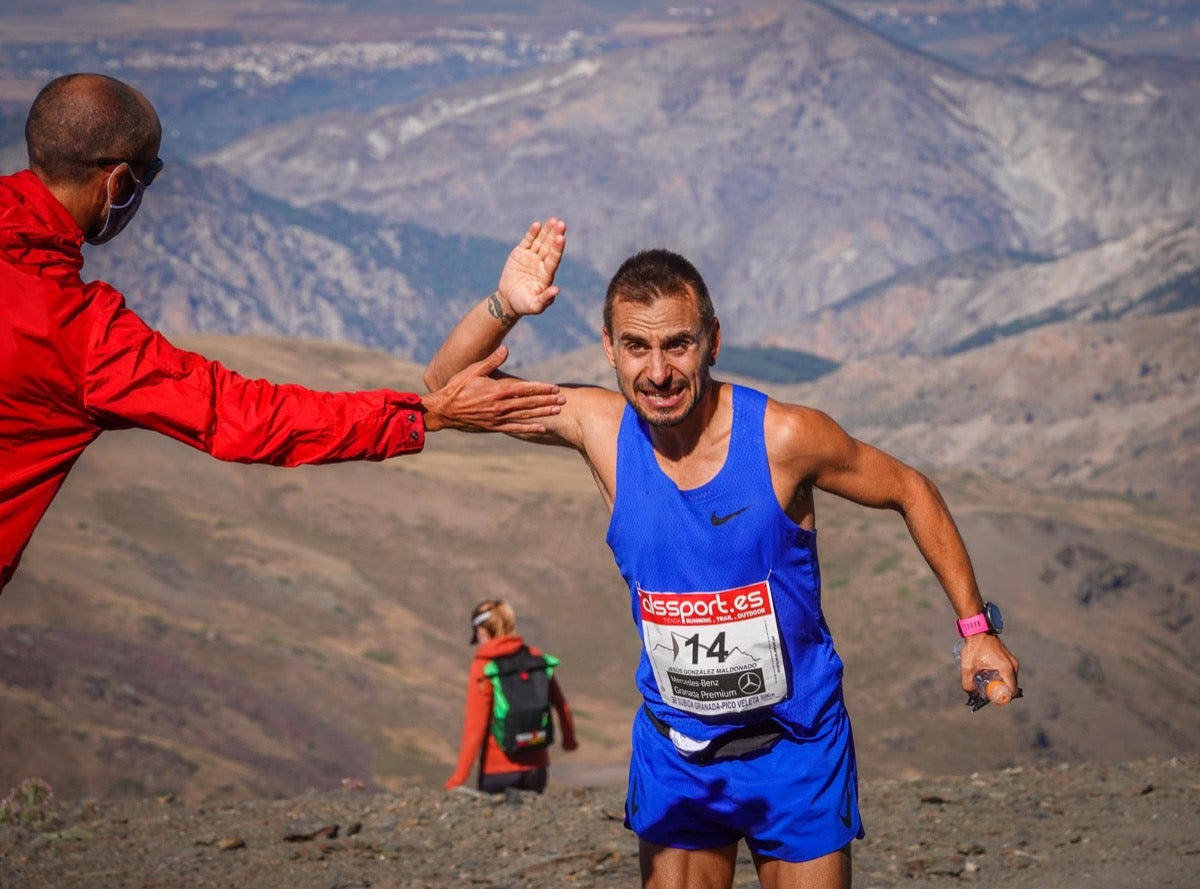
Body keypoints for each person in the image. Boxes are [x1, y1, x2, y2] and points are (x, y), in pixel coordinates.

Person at [423, 218, 1022, 889]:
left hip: (795, 746)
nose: (658, 371)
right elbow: (445, 394)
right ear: (608, 349)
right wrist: (504, 305)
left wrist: (977, 630)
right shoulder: (600, 429)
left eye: (678, 344)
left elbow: (912, 490)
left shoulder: (784, 436)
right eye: (637, 347)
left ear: (712, 340)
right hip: (677, 749)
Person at [0, 72, 566, 595]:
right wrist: (426, 415)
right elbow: (242, 416)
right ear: (118, 180)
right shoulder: (78, 338)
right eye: (150, 176)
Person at [445, 598, 578, 794]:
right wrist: (569, 740)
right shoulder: (534, 657)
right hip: (537, 769)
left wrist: (457, 780)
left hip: (497, 771)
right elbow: (561, 704)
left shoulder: (484, 666)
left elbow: (475, 728)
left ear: (481, 629)